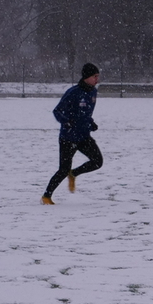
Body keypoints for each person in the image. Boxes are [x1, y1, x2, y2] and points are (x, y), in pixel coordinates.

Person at [42, 62, 103, 204]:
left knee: (97, 162)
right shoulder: (73, 92)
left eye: (98, 76)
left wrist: (90, 123)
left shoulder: (93, 92)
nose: (97, 79)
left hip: (84, 137)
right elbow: (57, 111)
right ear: (87, 77)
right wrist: (66, 122)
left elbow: (85, 113)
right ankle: (46, 196)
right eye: (95, 76)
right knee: (63, 169)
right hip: (68, 138)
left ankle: (74, 174)